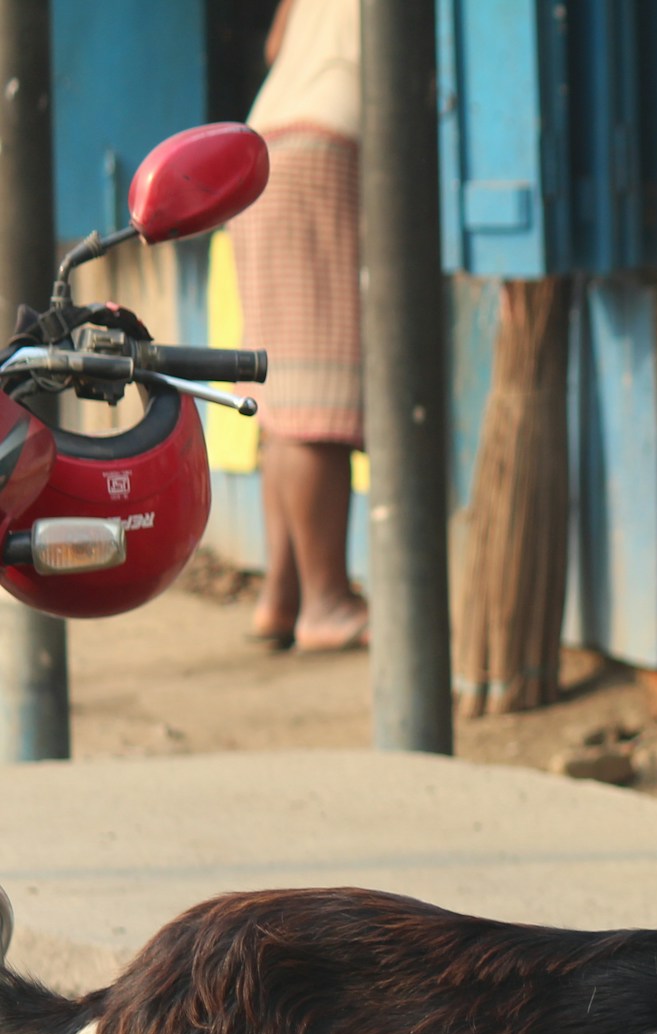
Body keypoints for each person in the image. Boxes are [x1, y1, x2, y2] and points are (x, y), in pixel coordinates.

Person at [231, 0, 368, 654]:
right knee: (321, 392)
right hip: (325, 142)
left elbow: (275, 44)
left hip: (261, 147)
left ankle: (280, 597)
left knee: (284, 395)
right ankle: (327, 601)